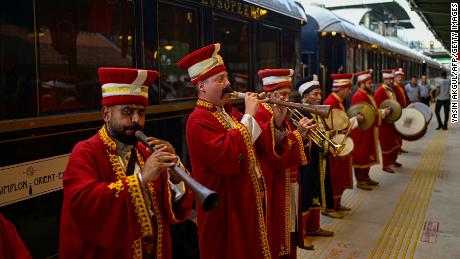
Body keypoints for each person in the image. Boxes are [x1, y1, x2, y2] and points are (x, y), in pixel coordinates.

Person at [59, 67, 194, 258]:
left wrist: (174, 171)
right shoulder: (85, 151)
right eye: (127, 112)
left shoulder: (144, 152)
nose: (136, 120)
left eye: (141, 112)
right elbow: (83, 206)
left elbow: (173, 209)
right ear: (106, 114)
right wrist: (142, 179)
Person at [179, 43, 272, 259]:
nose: (228, 84)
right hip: (223, 208)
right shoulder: (198, 120)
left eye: (226, 78)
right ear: (201, 86)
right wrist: (249, 114)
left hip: (241, 201)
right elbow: (226, 157)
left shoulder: (227, 111)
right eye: (220, 79)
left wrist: (275, 116)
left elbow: (257, 140)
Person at [256, 68, 311, 258]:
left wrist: (301, 136)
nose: (288, 98)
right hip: (275, 181)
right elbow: (271, 151)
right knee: (279, 229)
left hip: (289, 180)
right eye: (284, 94)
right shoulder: (261, 113)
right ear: (271, 93)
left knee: (289, 228)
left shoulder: (281, 112)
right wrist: (297, 135)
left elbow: (287, 142)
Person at [295, 75, 334, 250]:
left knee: (317, 193)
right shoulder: (301, 112)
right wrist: (327, 144)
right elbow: (308, 139)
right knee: (306, 195)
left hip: (318, 159)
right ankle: (302, 235)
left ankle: (314, 228)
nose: (319, 97)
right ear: (306, 96)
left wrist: (328, 136)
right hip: (307, 161)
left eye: (320, 94)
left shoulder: (315, 111)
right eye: (315, 94)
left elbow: (319, 133)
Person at [323, 73, 361, 216]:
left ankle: (337, 203)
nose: (350, 92)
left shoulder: (337, 101)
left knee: (339, 176)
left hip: (339, 143)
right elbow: (335, 126)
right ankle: (330, 207)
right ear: (341, 89)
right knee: (334, 176)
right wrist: (354, 121)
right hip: (334, 146)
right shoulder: (332, 102)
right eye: (348, 89)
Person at [351, 69, 391, 190]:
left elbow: (371, 112)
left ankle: (366, 177)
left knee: (367, 154)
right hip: (362, 132)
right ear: (362, 83)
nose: (372, 84)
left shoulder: (365, 94)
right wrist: (383, 113)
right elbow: (368, 115)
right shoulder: (360, 96)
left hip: (368, 130)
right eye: (369, 83)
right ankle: (361, 181)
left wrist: (382, 112)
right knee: (361, 155)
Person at [374, 69, 401, 173]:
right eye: (389, 79)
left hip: (392, 121)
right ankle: (385, 165)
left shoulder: (392, 90)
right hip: (384, 123)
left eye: (392, 79)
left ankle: (392, 160)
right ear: (384, 79)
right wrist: (384, 113)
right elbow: (377, 108)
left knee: (394, 142)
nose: (391, 81)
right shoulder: (379, 92)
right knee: (386, 144)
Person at [393, 68, 409, 153]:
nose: (400, 78)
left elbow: (405, 98)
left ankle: (400, 147)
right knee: (397, 131)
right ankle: (397, 148)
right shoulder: (394, 88)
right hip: (398, 112)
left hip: (403, 111)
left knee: (401, 131)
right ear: (395, 78)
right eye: (398, 76)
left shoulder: (401, 86)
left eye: (401, 77)